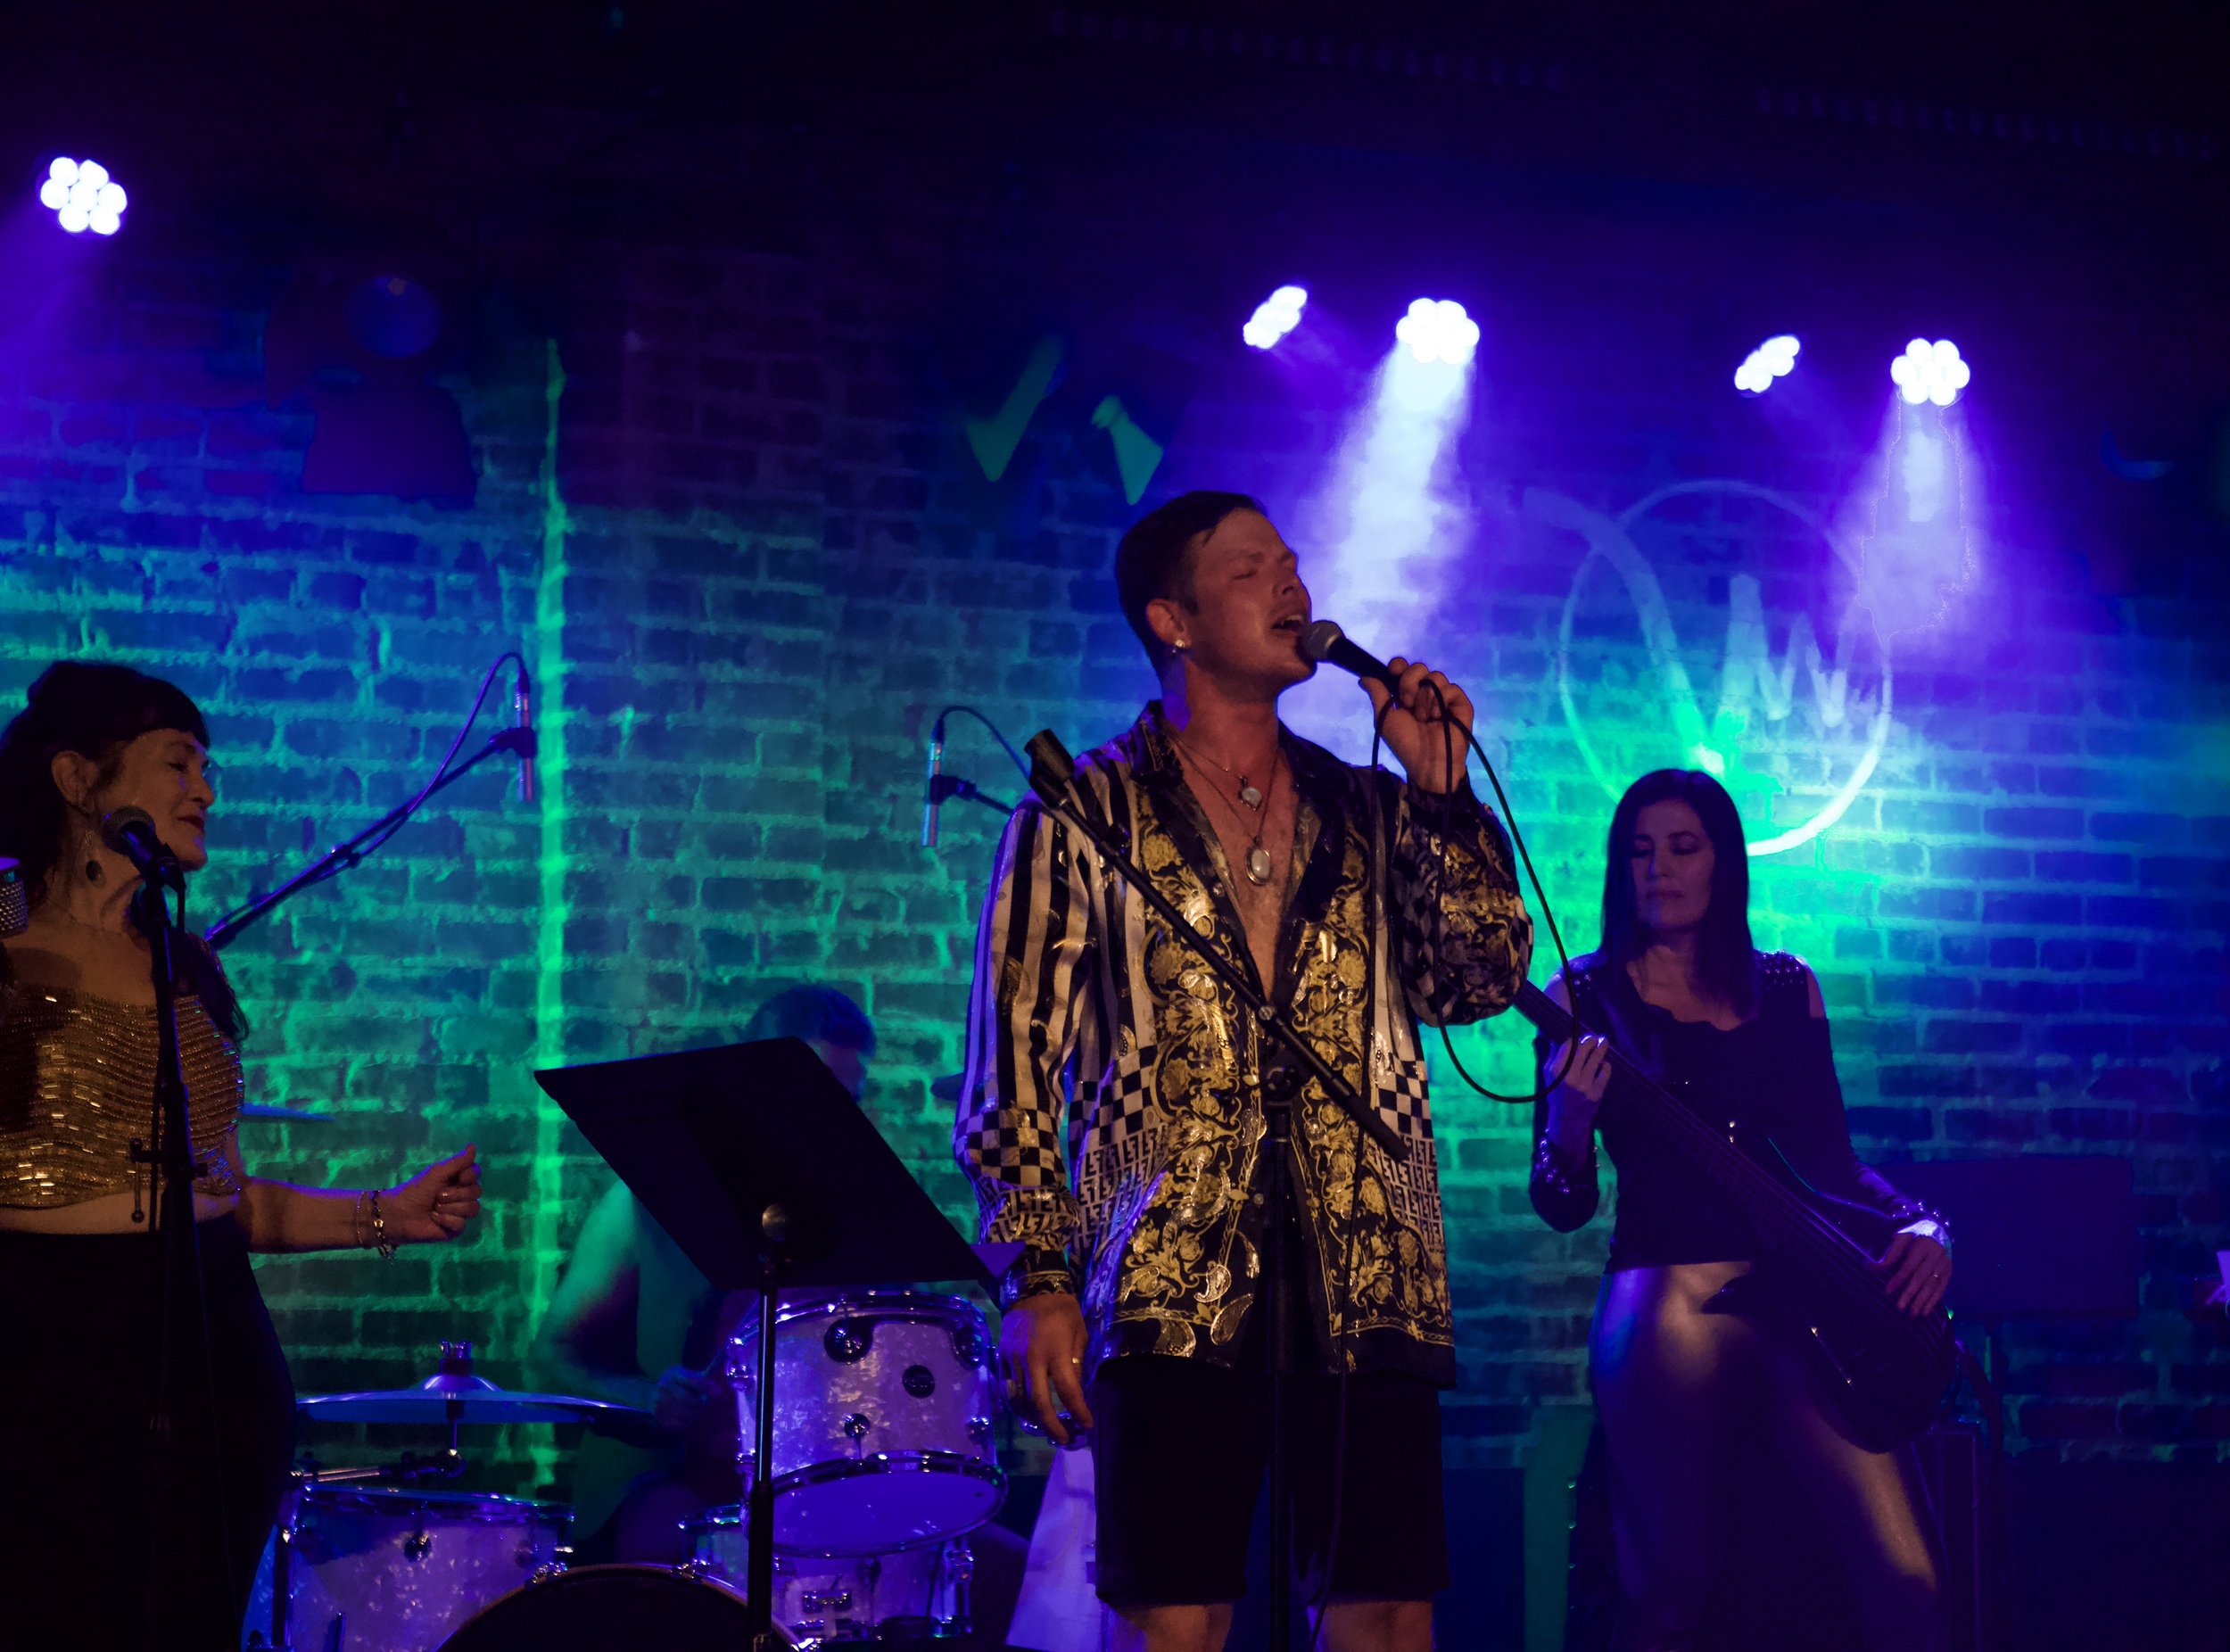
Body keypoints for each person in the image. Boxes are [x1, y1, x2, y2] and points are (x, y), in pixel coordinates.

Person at [955, 491, 1534, 1652]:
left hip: (1369, 1269)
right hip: (1166, 1273)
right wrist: (1036, 1275)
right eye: (1249, 566)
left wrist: (1441, 791)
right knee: (1171, 1620)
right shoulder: (1082, 811)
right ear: (1171, 620)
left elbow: (1477, 979)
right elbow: (1010, 1067)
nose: (1290, 582)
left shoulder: (1370, 806)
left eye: (1292, 561)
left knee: (1385, 1615)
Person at [0, 661, 484, 1652]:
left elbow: (230, 1198)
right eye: (179, 763)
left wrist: (387, 1212)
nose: (206, 792)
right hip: (47, 1344)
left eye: (207, 769)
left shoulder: (183, 966)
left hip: (215, 1352)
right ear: (77, 778)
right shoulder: (2, 938)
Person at [1528, 769, 1949, 1652]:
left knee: (1909, 1582)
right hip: (1666, 1302)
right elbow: (1562, 1203)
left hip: (1805, 1299)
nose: (1658, 869)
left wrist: (1922, 1223)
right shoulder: (1581, 994)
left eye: (1683, 847)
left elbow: (1832, 1165)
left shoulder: (1787, 986)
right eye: (1639, 851)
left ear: (1723, 861)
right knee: (1671, 1589)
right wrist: (1566, 1125)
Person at [533, 984, 880, 1560]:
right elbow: (551, 1358)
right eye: (818, 1095)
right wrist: (647, 1398)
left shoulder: (866, 1217)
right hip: (669, 1480)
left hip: (819, 1481)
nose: (836, 1120)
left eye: (850, 1099)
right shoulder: (649, 1200)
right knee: (672, 1546)